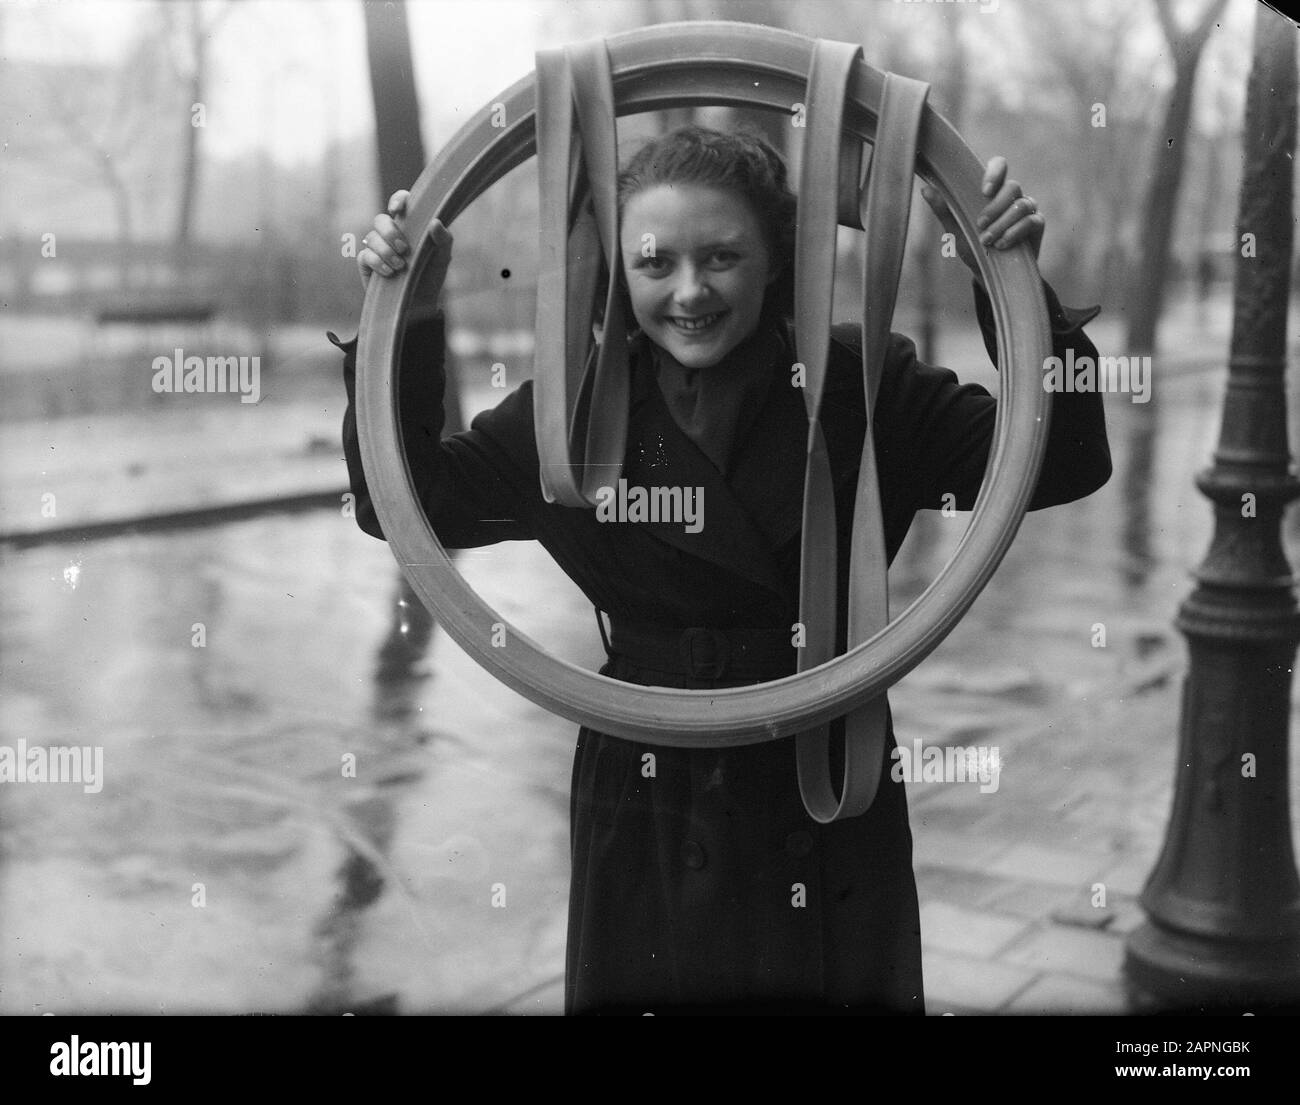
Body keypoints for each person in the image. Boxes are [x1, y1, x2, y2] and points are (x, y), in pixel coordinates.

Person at [335, 124, 1111, 1014]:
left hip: (822, 771)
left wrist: (1006, 279)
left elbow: (1060, 459)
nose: (690, 290)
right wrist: (406, 310)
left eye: (723, 257)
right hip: (647, 785)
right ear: (621, 272)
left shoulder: (864, 384)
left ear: (776, 260)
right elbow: (406, 504)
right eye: (656, 262)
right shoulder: (569, 414)